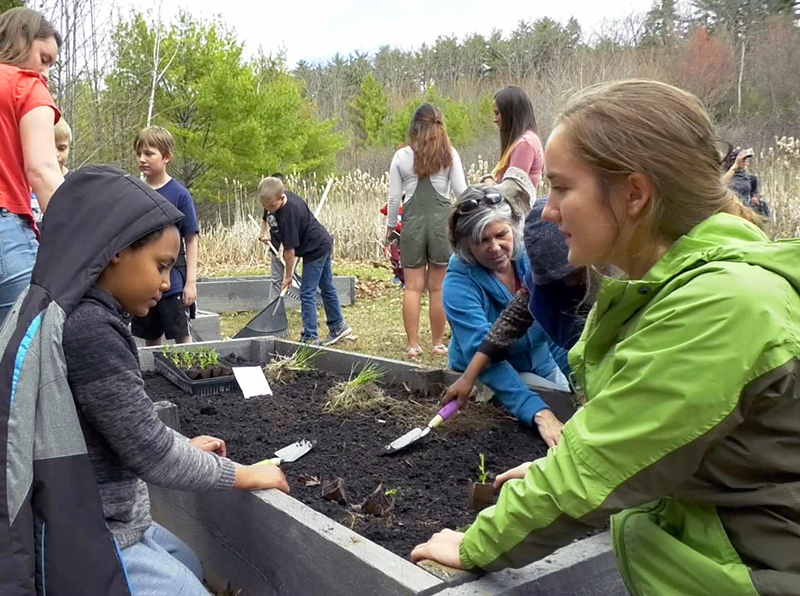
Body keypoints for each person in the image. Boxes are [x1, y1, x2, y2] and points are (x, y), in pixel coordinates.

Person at [411, 79, 800, 596]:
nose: (547, 211)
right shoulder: (683, 287)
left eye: (563, 188)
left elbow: (595, 470)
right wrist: (562, 459)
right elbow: (662, 438)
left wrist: (478, 543)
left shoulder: (721, 306)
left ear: (634, 194)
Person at [0, 165, 290, 594]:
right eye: (161, 265)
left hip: (116, 514)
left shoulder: (80, 313)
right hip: (95, 537)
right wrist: (244, 475)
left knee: (190, 561)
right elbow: (150, 451)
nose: (167, 281)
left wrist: (180, 447)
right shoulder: (91, 330)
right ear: (115, 250)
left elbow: (124, 431)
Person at [442, 186, 569, 447]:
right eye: (482, 241)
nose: (496, 247)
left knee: (571, 396)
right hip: (492, 373)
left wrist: (580, 380)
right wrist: (540, 413)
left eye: (501, 235)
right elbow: (484, 350)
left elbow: (559, 327)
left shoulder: (532, 262)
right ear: (465, 245)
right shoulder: (457, 286)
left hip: (542, 362)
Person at [386, 104, 467, 359]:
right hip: (441, 225)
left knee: (412, 287)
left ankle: (412, 345)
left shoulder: (401, 157)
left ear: (414, 128)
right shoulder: (449, 154)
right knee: (438, 288)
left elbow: (393, 200)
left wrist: (390, 229)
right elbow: (462, 193)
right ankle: (437, 343)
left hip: (412, 225)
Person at [0, 7, 64, 325]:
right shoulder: (26, 86)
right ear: (22, 40)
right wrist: (80, 235)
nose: (46, 73)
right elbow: (43, 170)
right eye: (44, 59)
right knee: (21, 351)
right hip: (6, 230)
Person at [259, 176, 352, 345]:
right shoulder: (277, 201)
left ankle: (311, 336)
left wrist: (288, 276)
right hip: (322, 243)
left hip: (316, 249)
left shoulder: (289, 214)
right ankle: (338, 325)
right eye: (265, 207)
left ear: (281, 197)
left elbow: (290, 251)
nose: (268, 209)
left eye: (271, 206)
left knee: (307, 292)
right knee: (326, 286)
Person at [131, 125, 198, 346]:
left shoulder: (180, 194)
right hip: (145, 279)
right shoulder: (136, 192)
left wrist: (190, 283)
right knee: (151, 336)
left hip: (174, 280)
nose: (142, 159)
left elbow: (191, 239)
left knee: (181, 334)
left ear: (167, 157)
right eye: (139, 153)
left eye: (149, 153)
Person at [480, 86, 545, 192]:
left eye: (497, 113)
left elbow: (512, 191)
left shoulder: (525, 144)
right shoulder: (525, 140)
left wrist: (488, 183)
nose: (495, 120)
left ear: (510, 114)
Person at [259, 172, 294, 301]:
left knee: (291, 276)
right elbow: (265, 220)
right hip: (275, 245)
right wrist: (263, 234)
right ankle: (273, 306)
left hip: (289, 246)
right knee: (275, 279)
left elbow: (291, 234)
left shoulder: (287, 208)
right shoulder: (269, 203)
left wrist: (283, 247)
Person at [723, 148, 771, 219]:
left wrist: (756, 198)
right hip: (731, 210)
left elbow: (757, 191)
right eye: (742, 160)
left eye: (746, 160)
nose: (745, 162)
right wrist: (734, 167)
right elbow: (721, 185)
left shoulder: (751, 178)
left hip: (746, 210)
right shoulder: (726, 176)